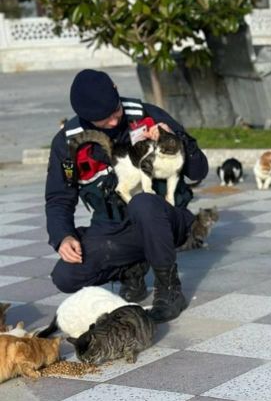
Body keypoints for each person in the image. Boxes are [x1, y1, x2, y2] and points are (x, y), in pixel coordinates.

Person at [45, 69, 209, 323]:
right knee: (66, 276)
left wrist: (176, 141)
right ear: (86, 118)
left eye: (116, 111)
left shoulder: (146, 115)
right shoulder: (68, 144)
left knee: (143, 202)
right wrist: (62, 236)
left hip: (166, 220)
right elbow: (59, 198)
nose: (113, 121)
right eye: (103, 119)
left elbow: (199, 170)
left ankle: (169, 289)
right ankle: (131, 269)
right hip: (115, 230)